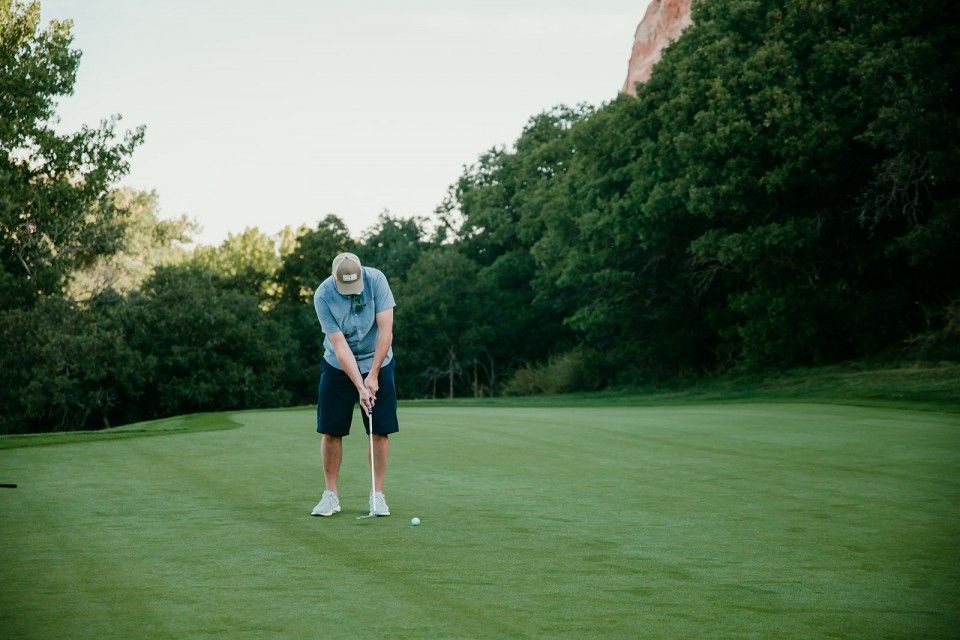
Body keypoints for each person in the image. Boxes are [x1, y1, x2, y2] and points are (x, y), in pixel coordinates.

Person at [310, 252, 398, 517]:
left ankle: (377, 495)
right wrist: (359, 385)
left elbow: (386, 331)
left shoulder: (377, 280)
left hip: (378, 360)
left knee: (379, 430)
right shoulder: (323, 295)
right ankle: (330, 496)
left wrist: (372, 376)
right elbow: (339, 346)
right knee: (330, 430)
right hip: (339, 364)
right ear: (335, 279)